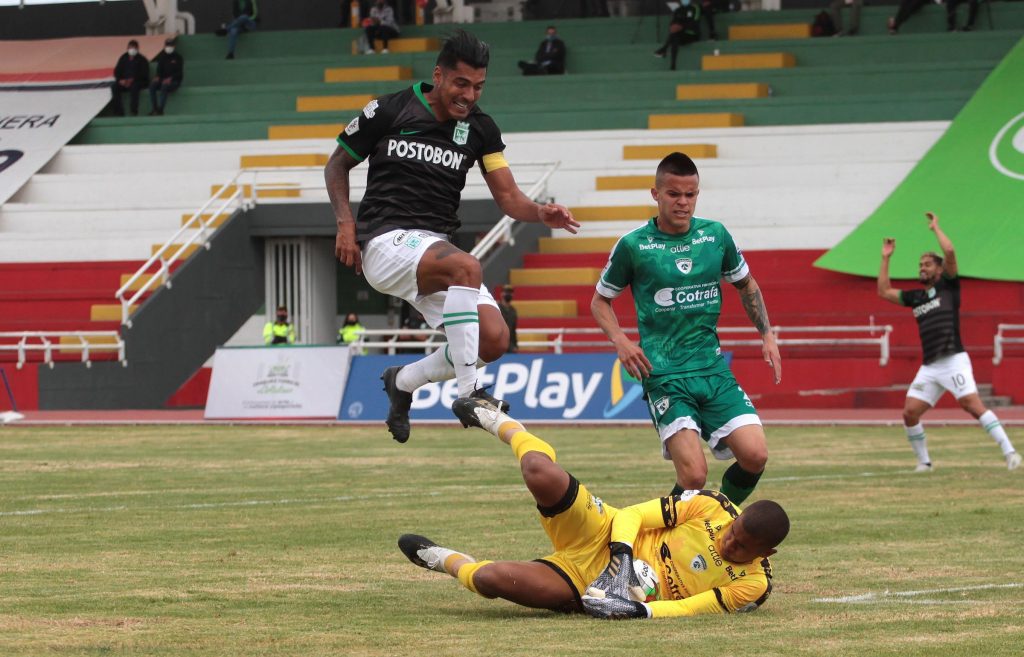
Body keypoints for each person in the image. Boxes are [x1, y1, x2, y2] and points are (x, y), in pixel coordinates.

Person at [324, 29, 580, 444]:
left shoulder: (480, 129)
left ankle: (403, 380)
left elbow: (510, 197)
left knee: (495, 339)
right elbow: (336, 166)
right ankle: (468, 394)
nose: (470, 95)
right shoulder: (389, 110)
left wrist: (540, 213)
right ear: (438, 75)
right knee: (467, 265)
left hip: (431, 251)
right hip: (385, 243)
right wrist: (345, 225)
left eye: (478, 87)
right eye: (462, 84)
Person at [399, 396, 789, 618]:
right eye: (732, 533)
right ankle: (497, 419)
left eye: (740, 548)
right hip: (604, 533)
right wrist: (621, 556)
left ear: (765, 553)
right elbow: (633, 515)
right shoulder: (712, 507)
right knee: (539, 471)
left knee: (491, 580)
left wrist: (641, 612)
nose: (728, 544)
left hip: (594, 584)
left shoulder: (754, 584)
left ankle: (443, 560)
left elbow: (692, 608)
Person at [591, 153, 782, 506]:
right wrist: (621, 341)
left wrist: (767, 334)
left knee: (755, 456)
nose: (683, 202)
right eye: (674, 194)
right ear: (656, 194)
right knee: (694, 476)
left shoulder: (715, 236)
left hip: (712, 368)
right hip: (664, 374)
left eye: (690, 194)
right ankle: (660, 537)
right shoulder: (634, 246)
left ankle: (717, 520)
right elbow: (600, 301)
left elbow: (747, 284)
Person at [877, 212, 1021, 472]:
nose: (922, 267)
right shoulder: (917, 297)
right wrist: (886, 258)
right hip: (931, 365)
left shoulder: (949, 287)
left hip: (953, 359)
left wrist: (936, 228)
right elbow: (884, 291)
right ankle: (924, 463)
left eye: (928, 264)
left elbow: (951, 251)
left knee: (972, 405)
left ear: (940, 269)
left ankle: (1011, 452)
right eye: (920, 264)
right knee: (910, 413)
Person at [654, 0, 702, 72]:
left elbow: (695, 22)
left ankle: (664, 49)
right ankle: (673, 66)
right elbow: (673, 22)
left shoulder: (695, 8)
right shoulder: (678, 10)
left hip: (692, 34)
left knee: (675, 35)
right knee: (675, 36)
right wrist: (672, 27)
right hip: (679, 35)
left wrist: (681, 27)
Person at [110, 39, 149, 117]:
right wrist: (120, 80)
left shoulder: (142, 59)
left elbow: (144, 74)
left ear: (137, 49)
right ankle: (119, 111)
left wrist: (133, 79)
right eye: (130, 48)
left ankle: (133, 111)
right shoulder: (123, 58)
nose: (132, 50)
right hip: (124, 82)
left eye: (134, 48)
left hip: (138, 82)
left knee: (135, 88)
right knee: (114, 87)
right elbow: (117, 72)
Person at [148, 37, 184, 116]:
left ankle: (160, 110)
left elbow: (179, 73)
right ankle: (155, 108)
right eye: (167, 46)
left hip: (174, 81)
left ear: (174, 47)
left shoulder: (178, 57)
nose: (168, 48)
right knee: (152, 86)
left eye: (170, 46)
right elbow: (159, 70)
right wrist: (157, 77)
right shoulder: (162, 57)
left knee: (164, 86)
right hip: (163, 79)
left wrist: (170, 79)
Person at [497, 285, 518, 353]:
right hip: (497, 344)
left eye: (510, 292)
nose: (509, 294)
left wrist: (515, 345)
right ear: (502, 294)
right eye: (506, 292)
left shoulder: (513, 311)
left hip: (510, 345)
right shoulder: (496, 308)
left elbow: (513, 330)